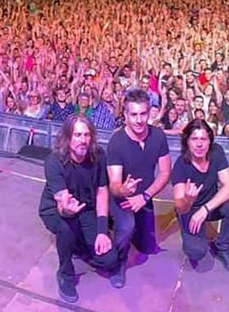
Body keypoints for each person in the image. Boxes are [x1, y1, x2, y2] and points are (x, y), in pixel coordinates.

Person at [38, 116, 119, 303]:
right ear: (67, 137)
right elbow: (62, 203)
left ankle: (78, 245)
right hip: (57, 210)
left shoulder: (98, 156)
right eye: (77, 135)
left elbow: (101, 192)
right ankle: (65, 273)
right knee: (67, 227)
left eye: (86, 135)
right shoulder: (54, 160)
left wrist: (101, 231)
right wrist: (67, 210)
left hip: (86, 208)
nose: (83, 140)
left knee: (109, 260)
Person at [106, 89, 172, 287]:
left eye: (143, 114)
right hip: (121, 197)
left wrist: (144, 196)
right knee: (127, 227)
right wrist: (124, 191)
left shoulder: (158, 136)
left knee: (147, 248)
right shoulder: (116, 142)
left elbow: (165, 173)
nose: (139, 120)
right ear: (125, 115)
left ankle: (116, 223)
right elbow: (115, 185)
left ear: (149, 112)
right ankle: (118, 262)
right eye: (133, 114)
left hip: (144, 196)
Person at [171, 119, 229, 272]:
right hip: (189, 208)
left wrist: (205, 209)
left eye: (203, 139)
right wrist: (189, 201)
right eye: (194, 139)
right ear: (187, 142)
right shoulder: (180, 165)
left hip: (209, 206)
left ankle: (221, 246)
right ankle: (188, 230)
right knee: (196, 252)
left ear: (209, 141)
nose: (199, 144)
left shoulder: (216, 152)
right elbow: (179, 205)